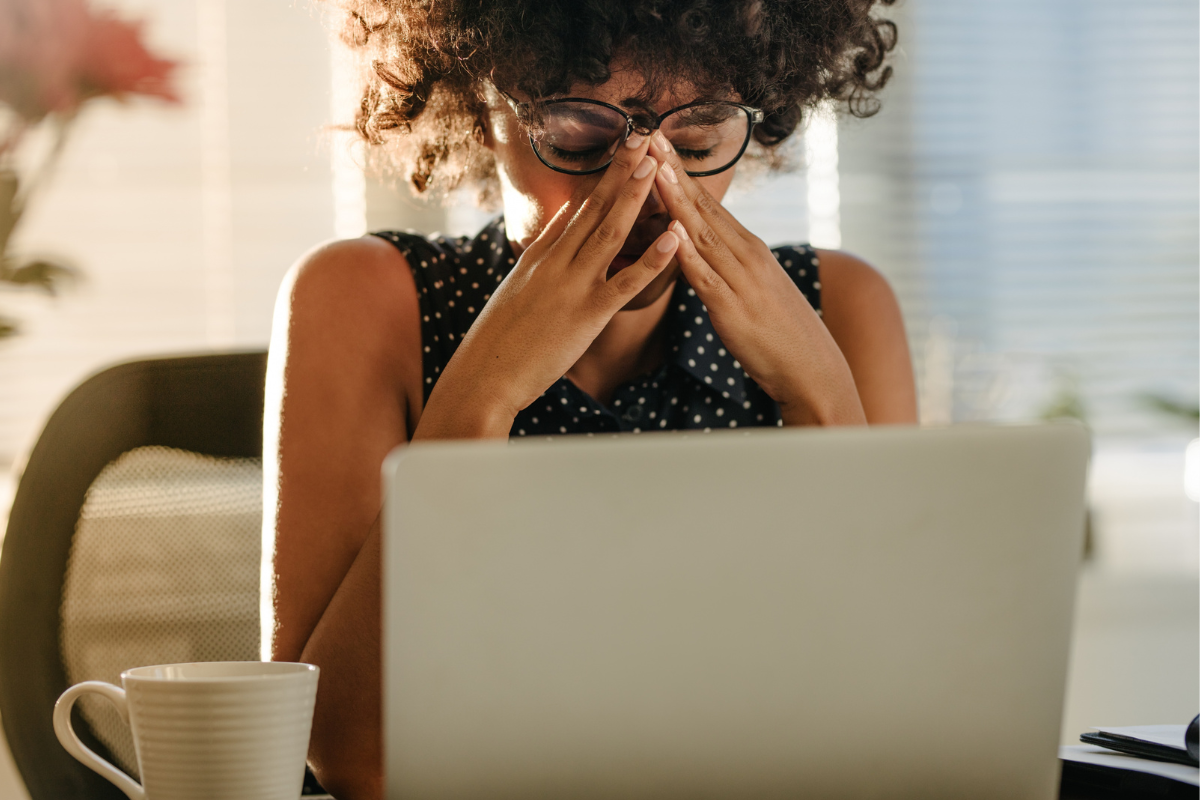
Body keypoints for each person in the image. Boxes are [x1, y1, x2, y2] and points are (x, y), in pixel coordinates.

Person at [265, 1, 915, 796]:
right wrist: (484, 393)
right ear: (481, 112)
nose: (647, 187)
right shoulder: (366, 300)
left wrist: (821, 399)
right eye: (579, 137)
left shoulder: (841, 308)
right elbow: (350, 757)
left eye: (698, 140)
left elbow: (895, 734)